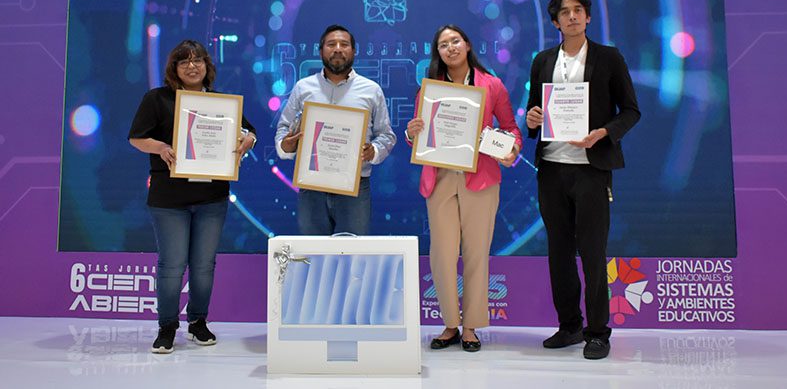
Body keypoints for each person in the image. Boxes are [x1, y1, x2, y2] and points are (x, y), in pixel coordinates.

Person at [525, 0, 640, 360]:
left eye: (578, 10)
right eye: (564, 12)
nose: (572, 16)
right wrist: (532, 119)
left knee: (592, 253)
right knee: (558, 253)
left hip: (592, 170)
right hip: (551, 169)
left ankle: (598, 333)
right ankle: (570, 326)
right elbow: (533, 112)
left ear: (588, 17)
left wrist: (604, 132)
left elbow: (631, 111)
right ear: (555, 21)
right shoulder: (543, 60)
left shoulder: (608, 58)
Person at [128, 40, 257, 354]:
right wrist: (161, 147)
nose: (191, 66)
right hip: (168, 198)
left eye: (197, 60)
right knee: (172, 265)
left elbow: (249, 132)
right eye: (183, 61)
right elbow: (137, 138)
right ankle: (167, 326)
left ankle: (198, 322)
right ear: (174, 67)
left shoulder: (221, 103)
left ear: (207, 66)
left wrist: (249, 140)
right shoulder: (157, 98)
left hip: (211, 197)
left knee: (203, 266)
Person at [406, 24, 522, 352]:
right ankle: (449, 324)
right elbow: (418, 135)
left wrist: (510, 149)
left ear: (467, 45)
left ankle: (470, 327)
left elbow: (511, 128)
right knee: (442, 256)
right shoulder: (429, 90)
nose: (451, 48)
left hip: (481, 178)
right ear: (438, 53)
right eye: (443, 44)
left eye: (455, 41)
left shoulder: (492, 85)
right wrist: (411, 133)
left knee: (476, 253)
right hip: (440, 178)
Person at [275, 24, 396, 235]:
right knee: (314, 252)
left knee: (352, 252)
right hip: (311, 186)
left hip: (355, 187)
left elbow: (386, 135)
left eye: (344, 44)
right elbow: (283, 129)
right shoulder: (303, 88)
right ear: (321, 51)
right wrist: (286, 145)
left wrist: (373, 151)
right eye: (331, 44)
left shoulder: (371, 90)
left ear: (354, 51)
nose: (338, 49)